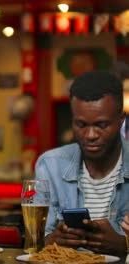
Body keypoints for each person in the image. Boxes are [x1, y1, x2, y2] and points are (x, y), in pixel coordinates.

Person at [35, 71, 129, 256]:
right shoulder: (50, 165)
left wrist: (125, 246)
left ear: (121, 120)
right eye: (82, 125)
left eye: (101, 125)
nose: (91, 135)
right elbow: (38, 241)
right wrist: (50, 241)